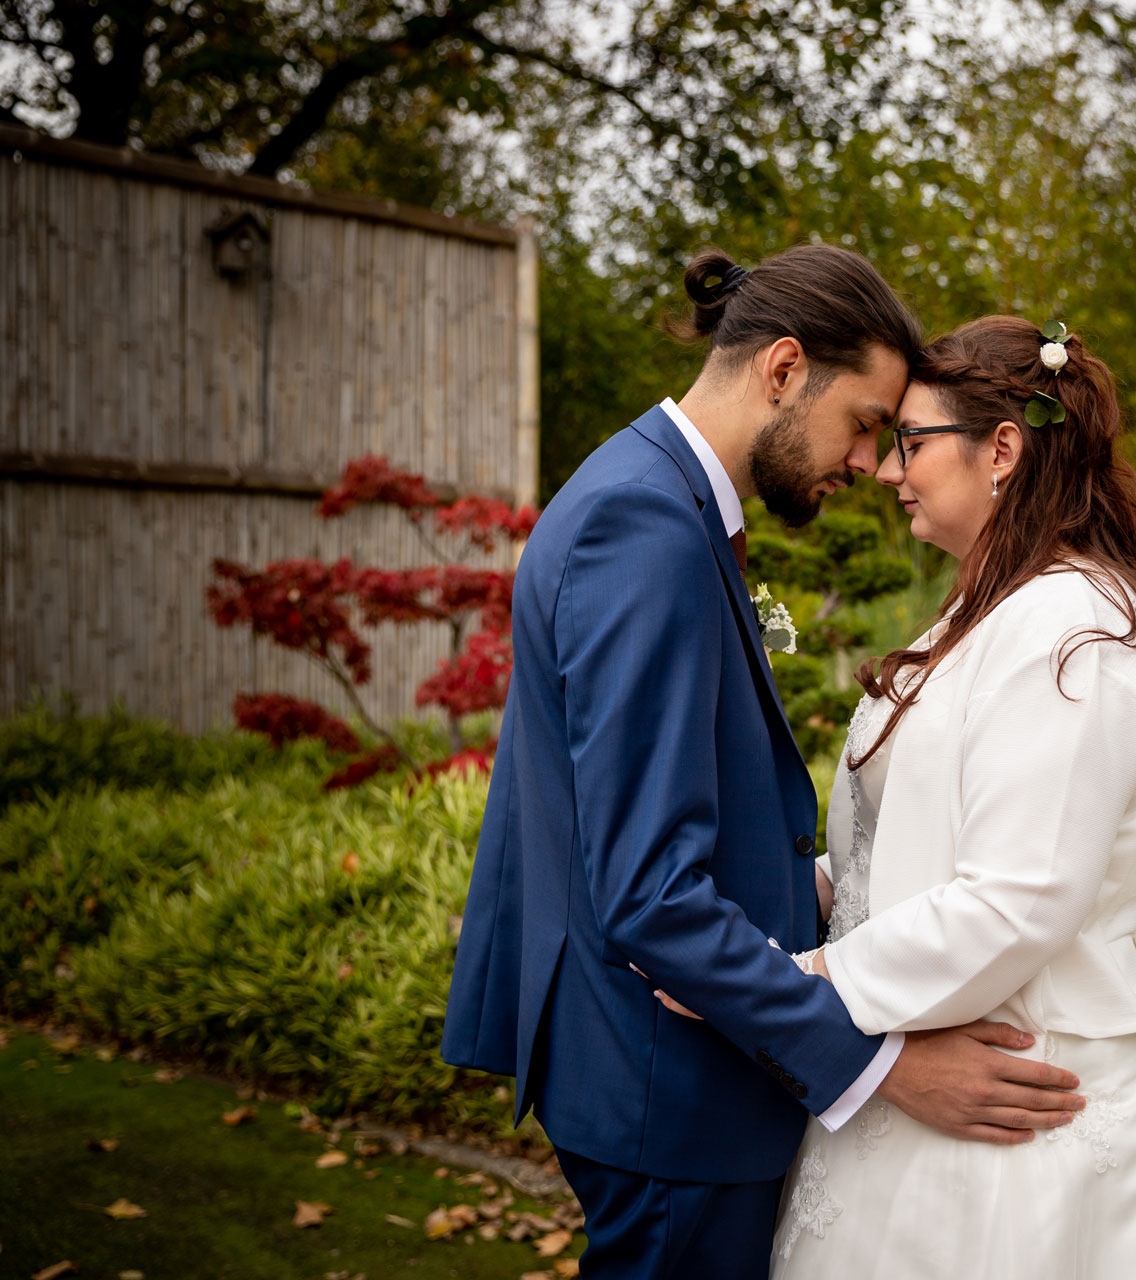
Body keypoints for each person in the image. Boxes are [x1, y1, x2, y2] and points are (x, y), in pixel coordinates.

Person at [440, 249, 1087, 1279]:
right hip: (667, 1079)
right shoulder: (642, 524)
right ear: (784, 370)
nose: (874, 462)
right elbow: (651, 894)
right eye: (869, 421)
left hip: (665, 1061)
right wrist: (877, 1064)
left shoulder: (657, 499)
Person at [653, 316, 1136, 1277]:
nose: (889, 471)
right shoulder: (988, 614)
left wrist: (799, 987)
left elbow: (1017, 894)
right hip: (922, 1083)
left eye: (912, 442)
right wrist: (756, 913)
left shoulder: (1077, 629)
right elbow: (896, 852)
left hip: (1030, 1115)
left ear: (1003, 449)